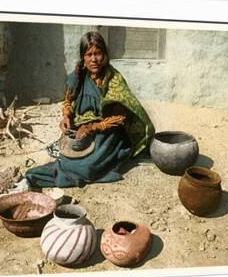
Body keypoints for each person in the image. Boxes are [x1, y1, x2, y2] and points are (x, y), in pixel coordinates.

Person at [25, 31, 155, 188]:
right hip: (82, 127)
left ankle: (57, 173)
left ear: (105, 55)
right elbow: (68, 100)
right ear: (83, 57)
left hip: (108, 131)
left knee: (88, 167)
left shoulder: (113, 79)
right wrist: (66, 116)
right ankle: (57, 170)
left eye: (98, 53)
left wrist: (92, 127)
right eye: (89, 54)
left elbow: (120, 117)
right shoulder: (79, 75)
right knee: (71, 152)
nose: (94, 59)